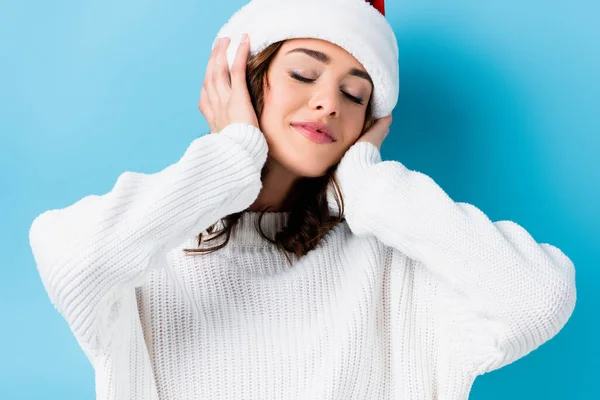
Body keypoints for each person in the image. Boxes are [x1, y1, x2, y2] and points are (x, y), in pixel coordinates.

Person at [28, 0, 577, 399]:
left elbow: (538, 297)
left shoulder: (392, 266)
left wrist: (368, 185)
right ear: (245, 80)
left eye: (354, 94)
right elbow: (72, 260)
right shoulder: (152, 245)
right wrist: (229, 158)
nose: (327, 103)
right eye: (304, 73)